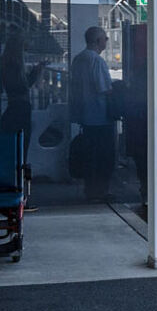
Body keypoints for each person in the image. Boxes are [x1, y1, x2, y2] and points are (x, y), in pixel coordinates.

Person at [68, 26, 115, 201]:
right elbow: (104, 88)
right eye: (105, 38)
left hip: (84, 116)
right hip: (100, 116)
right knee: (103, 157)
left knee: (89, 156)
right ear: (97, 41)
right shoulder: (97, 61)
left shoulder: (78, 59)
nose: (106, 41)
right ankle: (100, 191)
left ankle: (90, 189)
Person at [0, 35, 43, 152]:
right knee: (21, 146)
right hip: (19, 109)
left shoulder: (9, 65)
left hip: (16, 107)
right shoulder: (13, 66)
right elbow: (22, 87)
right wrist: (35, 73)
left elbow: (22, 85)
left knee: (17, 147)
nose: (25, 53)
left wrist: (35, 72)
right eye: (24, 49)